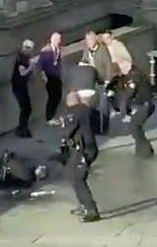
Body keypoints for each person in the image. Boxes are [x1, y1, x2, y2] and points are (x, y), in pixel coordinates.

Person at [60, 92, 100, 222]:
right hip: (89, 148)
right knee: (71, 174)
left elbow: (68, 131)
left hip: (83, 150)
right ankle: (83, 205)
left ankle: (91, 211)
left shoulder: (73, 112)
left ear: (69, 101)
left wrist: (63, 126)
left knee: (77, 179)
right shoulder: (88, 110)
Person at [120, 66, 155, 158]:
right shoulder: (139, 74)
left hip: (142, 106)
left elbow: (128, 94)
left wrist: (124, 112)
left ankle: (146, 151)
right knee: (137, 128)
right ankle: (141, 150)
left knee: (134, 128)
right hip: (146, 105)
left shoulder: (133, 77)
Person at [11, 40, 37, 138]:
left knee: (27, 108)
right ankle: (21, 128)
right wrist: (30, 67)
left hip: (22, 86)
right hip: (18, 86)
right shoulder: (21, 58)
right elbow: (22, 73)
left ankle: (23, 127)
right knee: (25, 108)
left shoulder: (25, 57)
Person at [39, 32, 64, 125]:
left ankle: (53, 114)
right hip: (49, 76)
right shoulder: (46, 50)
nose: (60, 41)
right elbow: (41, 64)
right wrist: (43, 75)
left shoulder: (58, 49)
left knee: (58, 95)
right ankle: (49, 117)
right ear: (53, 39)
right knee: (52, 97)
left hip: (57, 75)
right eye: (59, 39)